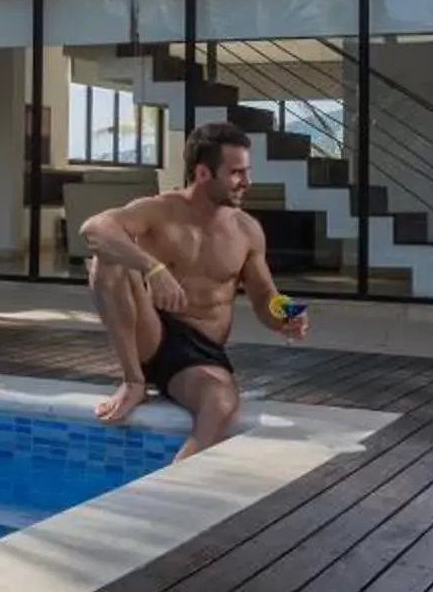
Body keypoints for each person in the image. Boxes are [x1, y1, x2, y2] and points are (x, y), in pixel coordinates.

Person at [83, 120, 309, 456]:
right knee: (108, 259)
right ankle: (133, 381)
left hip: (198, 355)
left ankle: (173, 480)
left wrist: (284, 317)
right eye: (236, 173)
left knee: (220, 401)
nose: (247, 182)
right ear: (203, 173)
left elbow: (265, 295)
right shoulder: (160, 210)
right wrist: (153, 268)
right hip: (151, 333)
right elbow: (94, 228)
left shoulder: (247, 230)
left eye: (247, 172)